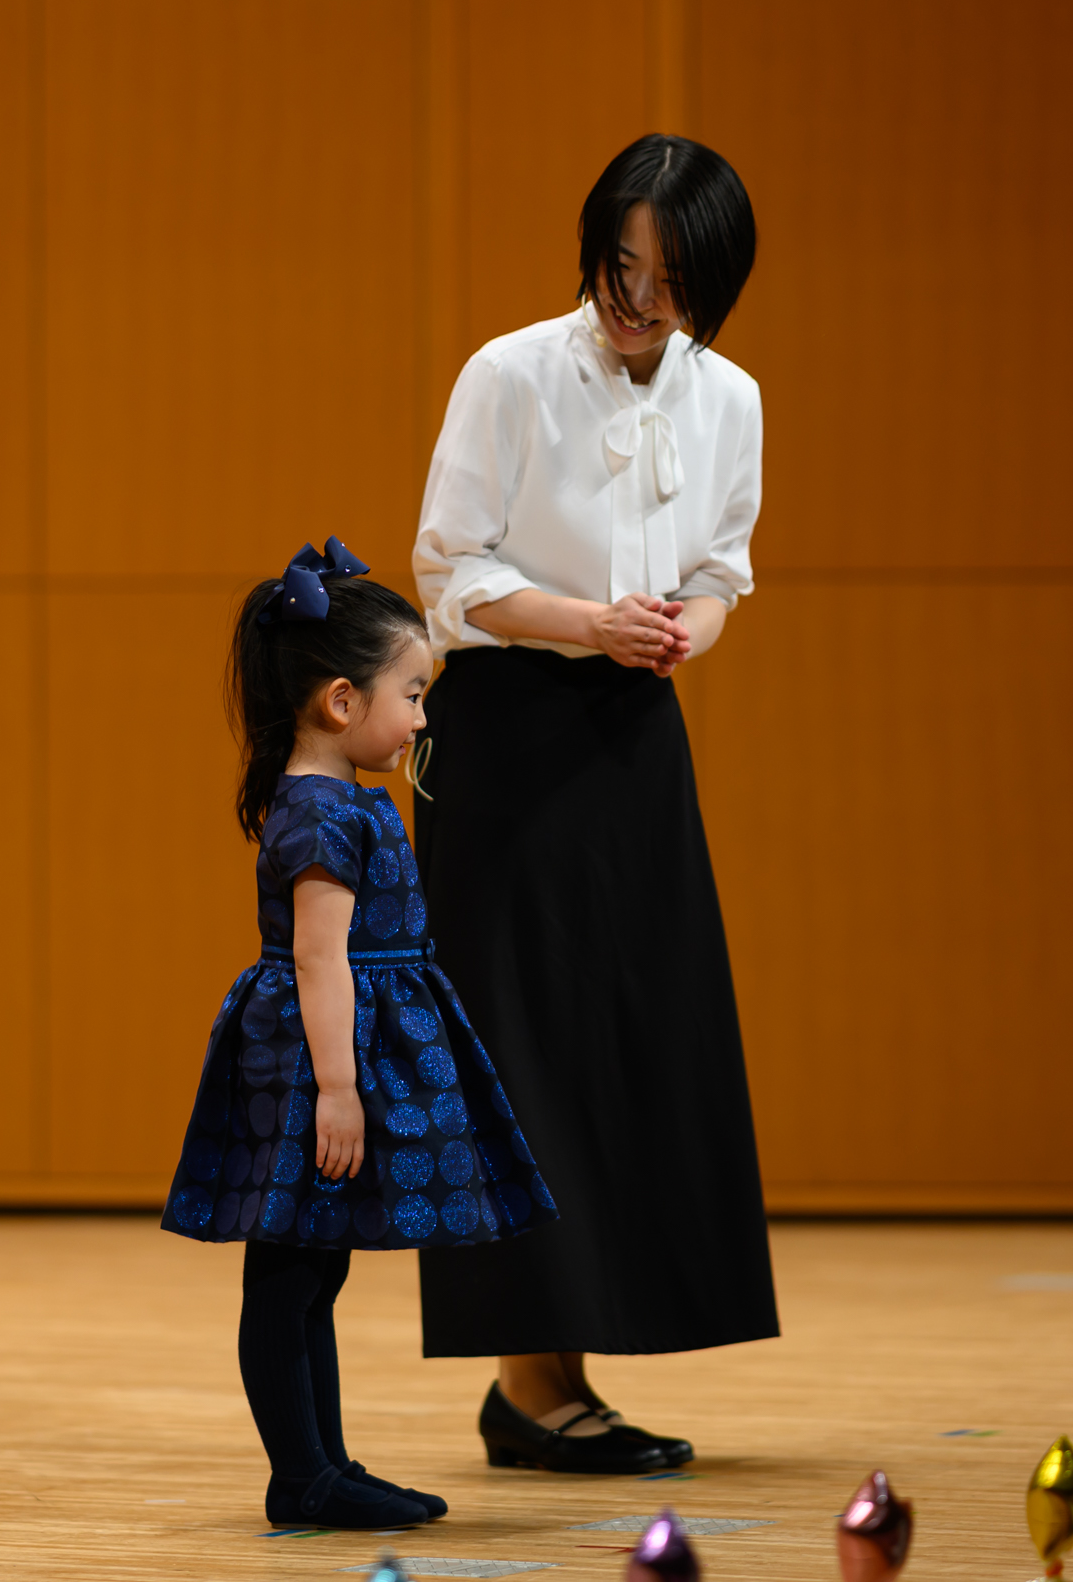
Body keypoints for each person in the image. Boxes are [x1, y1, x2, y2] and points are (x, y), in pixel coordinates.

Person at [410, 134, 777, 1473]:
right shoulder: (508, 374)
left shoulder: (728, 396)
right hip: (507, 727)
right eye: (619, 267)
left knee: (638, 1043)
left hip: (635, 734)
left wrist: (688, 633)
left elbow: (725, 568)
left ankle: (576, 1367)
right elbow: (447, 577)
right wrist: (590, 622)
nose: (636, 298)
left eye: (667, 277)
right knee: (519, 1055)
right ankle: (531, 1385)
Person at [161, 539, 555, 1528]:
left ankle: (321, 1463)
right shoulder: (318, 813)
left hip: (333, 1049)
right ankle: (302, 1474)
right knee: (290, 1267)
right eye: (411, 693)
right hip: (310, 1060)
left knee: (310, 1267)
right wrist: (338, 1086)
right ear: (341, 701)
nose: (421, 715)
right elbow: (316, 958)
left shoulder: (341, 801)